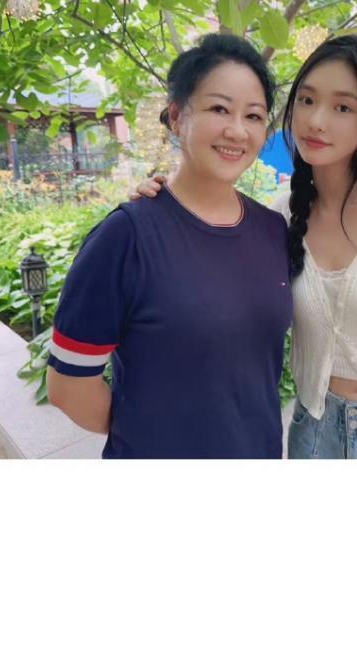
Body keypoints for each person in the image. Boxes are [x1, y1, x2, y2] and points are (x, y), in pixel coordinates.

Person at [136, 34, 357, 459]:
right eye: (306, 100)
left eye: (343, 107)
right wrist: (165, 203)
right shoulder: (278, 218)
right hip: (313, 435)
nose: (316, 120)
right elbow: (214, 274)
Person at [47, 34, 292, 458]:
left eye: (253, 116)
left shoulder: (272, 230)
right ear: (177, 117)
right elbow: (69, 387)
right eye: (219, 109)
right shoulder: (126, 236)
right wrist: (151, 434)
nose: (237, 130)